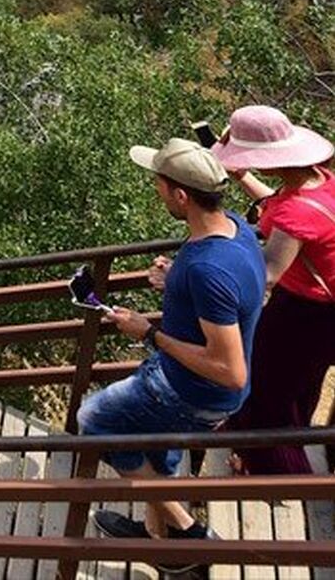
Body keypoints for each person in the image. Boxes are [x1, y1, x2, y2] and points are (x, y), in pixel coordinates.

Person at [80, 138, 265, 553]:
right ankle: (156, 537)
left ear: (181, 195)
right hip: (192, 386)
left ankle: (189, 534)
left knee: (94, 421)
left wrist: (148, 332)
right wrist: (175, 277)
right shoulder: (234, 229)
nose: (156, 190)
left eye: (159, 185)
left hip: (191, 391)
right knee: (154, 445)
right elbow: (227, 291)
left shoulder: (207, 270)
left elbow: (230, 369)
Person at [210, 105, 335, 475]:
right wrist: (244, 176)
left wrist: (202, 277)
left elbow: (266, 273)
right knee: (298, 387)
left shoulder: (296, 215)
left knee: (265, 393)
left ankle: (278, 474)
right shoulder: (319, 180)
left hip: (304, 314)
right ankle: (273, 455)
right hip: (321, 313)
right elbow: (278, 206)